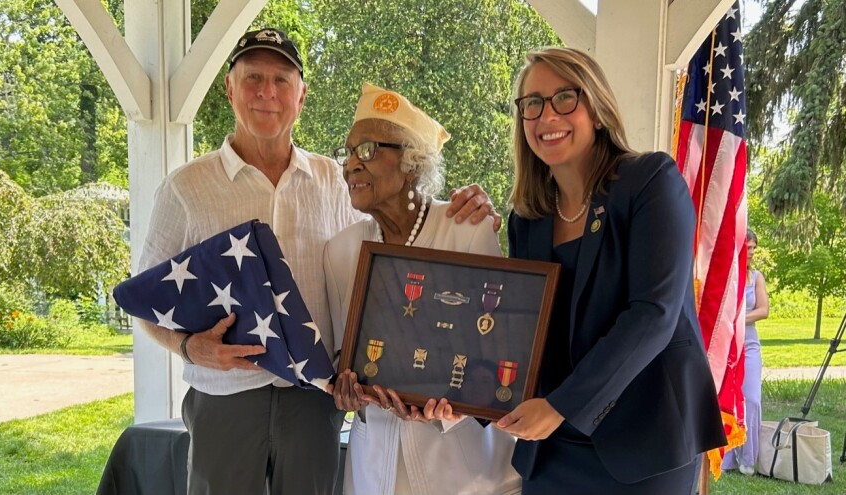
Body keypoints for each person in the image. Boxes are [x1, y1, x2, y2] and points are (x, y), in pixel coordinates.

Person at [137, 29, 498, 495]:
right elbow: (145, 297)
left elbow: (406, 221)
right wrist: (190, 348)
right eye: (253, 78)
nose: (267, 93)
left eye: (281, 80)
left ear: (301, 97)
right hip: (223, 398)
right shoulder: (185, 187)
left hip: (314, 401)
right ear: (230, 89)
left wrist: (468, 200)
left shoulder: (338, 183)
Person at [496, 46, 727, 494]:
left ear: (597, 110)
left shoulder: (651, 182)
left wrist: (562, 405)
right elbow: (520, 327)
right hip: (552, 446)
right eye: (532, 104)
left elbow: (653, 314)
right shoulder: (526, 219)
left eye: (565, 98)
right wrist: (464, 393)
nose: (547, 117)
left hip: (644, 443)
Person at [324, 83, 522, 495]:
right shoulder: (341, 250)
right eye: (347, 152)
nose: (349, 166)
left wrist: (449, 406)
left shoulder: (466, 228)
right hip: (375, 470)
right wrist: (345, 388)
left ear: (412, 161)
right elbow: (343, 352)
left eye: (368, 150)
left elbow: (497, 347)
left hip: (463, 469)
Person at [723, 228, 769, 475]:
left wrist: (738, 319)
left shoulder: (757, 277)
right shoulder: (727, 274)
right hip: (727, 346)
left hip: (749, 345)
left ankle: (749, 457)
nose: (750, 253)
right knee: (728, 399)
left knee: (751, 398)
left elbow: (763, 310)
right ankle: (728, 456)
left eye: (753, 248)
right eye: (747, 247)